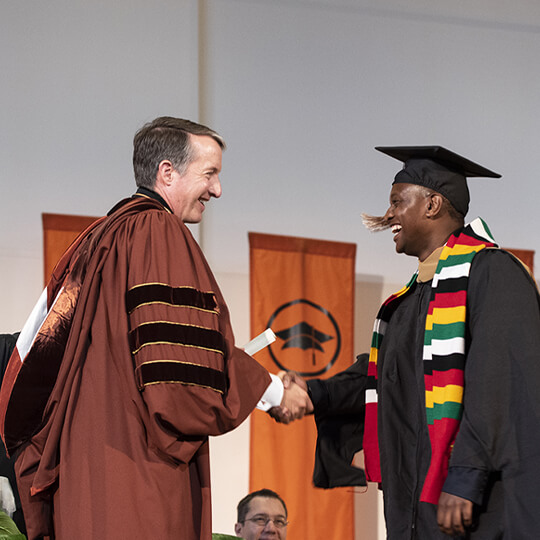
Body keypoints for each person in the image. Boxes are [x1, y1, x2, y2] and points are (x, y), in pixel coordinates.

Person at [0, 117, 310, 540]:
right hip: (134, 470)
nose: (217, 189)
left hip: (89, 462)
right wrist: (273, 390)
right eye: (210, 173)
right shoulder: (156, 232)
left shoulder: (103, 235)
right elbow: (182, 371)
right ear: (167, 172)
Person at [273, 146, 540, 539]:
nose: (389, 215)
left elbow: (498, 383)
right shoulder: (406, 301)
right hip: (413, 504)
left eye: (398, 202)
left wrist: (466, 477)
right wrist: (315, 394)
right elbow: (383, 377)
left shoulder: (493, 274)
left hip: (474, 503)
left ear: (432, 204)